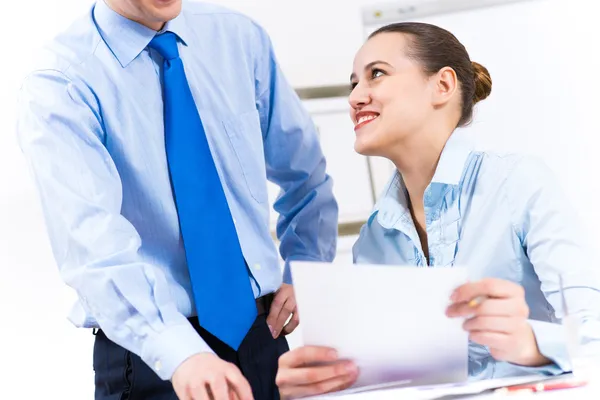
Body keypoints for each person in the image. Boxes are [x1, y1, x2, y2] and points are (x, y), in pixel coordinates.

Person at [16, 0, 338, 399]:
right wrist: (180, 352)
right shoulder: (60, 82)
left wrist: (308, 266)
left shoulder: (238, 38)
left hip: (263, 341)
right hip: (155, 358)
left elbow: (305, 170)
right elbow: (93, 248)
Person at [275, 22, 600, 399]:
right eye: (353, 84)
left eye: (376, 74)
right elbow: (402, 384)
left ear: (442, 85)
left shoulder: (518, 183)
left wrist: (529, 342)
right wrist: (325, 385)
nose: (355, 97)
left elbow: (593, 335)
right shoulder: (373, 241)